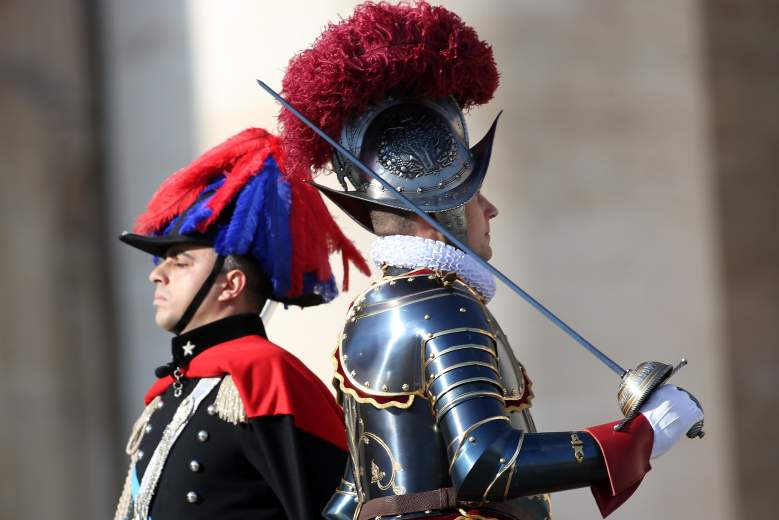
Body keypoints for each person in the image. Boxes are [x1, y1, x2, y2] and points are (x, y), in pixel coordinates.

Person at [277, 3, 705, 519]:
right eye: (473, 195)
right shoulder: (444, 305)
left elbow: (353, 496)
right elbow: (485, 460)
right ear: (437, 208)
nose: (490, 208)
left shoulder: (373, 308)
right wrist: (637, 438)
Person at [113, 128, 369, 520]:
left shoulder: (268, 377)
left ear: (231, 284)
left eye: (180, 262)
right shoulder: (170, 392)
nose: (156, 275)